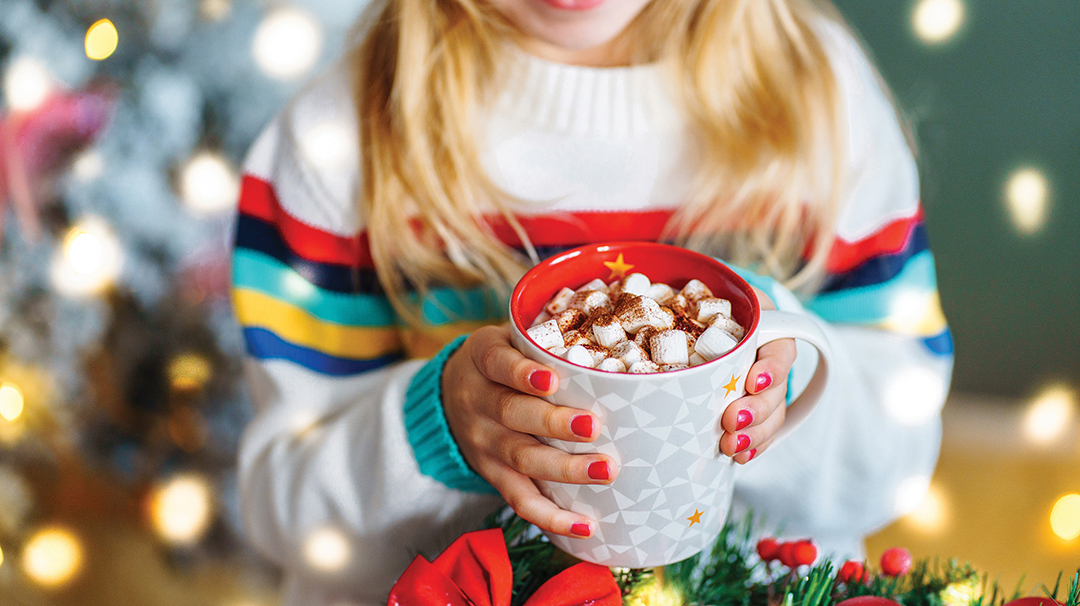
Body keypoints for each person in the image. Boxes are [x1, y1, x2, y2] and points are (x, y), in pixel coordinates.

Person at [229, 0, 953, 602]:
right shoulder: (340, 142)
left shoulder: (820, 97)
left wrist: (778, 382)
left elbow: (899, 453)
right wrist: (436, 427)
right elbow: (283, 506)